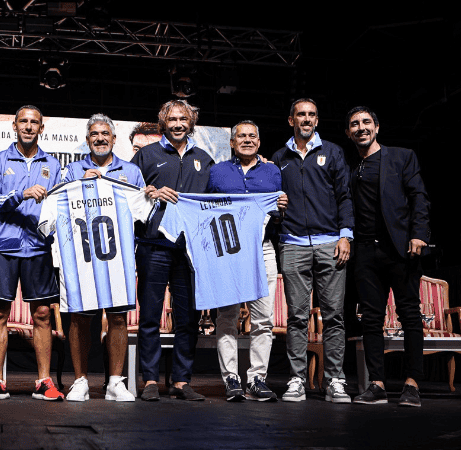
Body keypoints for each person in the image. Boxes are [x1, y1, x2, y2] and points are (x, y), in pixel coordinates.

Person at [0, 105, 64, 401]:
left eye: (34, 122)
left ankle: (43, 381)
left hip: (37, 248)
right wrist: (20, 194)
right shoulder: (0, 160)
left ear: (41, 128)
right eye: (23, 121)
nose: (28, 126)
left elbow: (58, 207)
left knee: (42, 314)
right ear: (14, 125)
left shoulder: (52, 164)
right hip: (4, 247)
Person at [345, 107, 430, 407]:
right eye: (354, 124)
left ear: (377, 127)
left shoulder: (401, 156)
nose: (361, 128)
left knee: (409, 316)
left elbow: (419, 196)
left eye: (366, 122)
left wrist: (419, 233)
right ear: (348, 133)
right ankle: (377, 384)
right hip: (366, 252)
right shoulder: (353, 168)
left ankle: (412, 384)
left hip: (400, 249)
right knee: (370, 319)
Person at [270, 98, 353, 403]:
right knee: (297, 317)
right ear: (291, 120)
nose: (306, 119)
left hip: (330, 243)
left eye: (311, 115)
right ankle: (296, 379)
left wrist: (345, 237)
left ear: (317, 120)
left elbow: (345, 196)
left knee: (334, 316)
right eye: (300, 115)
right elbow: (271, 203)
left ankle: (334, 381)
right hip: (292, 244)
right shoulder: (279, 157)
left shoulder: (332, 152)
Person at [130, 99, 213, 401]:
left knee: (187, 317)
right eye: (173, 119)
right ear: (163, 123)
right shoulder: (147, 155)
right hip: (153, 246)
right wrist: (149, 192)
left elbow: (217, 200)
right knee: (150, 315)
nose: (178, 124)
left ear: (192, 123)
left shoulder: (204, 159)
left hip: (190, 250)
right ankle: (150, 380)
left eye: (184, 119)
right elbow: (129, 196)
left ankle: (181, 380)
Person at [61, 114, 145, 402]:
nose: (100, 138)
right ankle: (81, 380)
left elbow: (143, 213)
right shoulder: (72, 170)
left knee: (118, 318)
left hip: (118, 257)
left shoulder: (131, 172)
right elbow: (58, 210)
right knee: (79, 319)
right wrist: (80, 185)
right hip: (82, 258)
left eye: (105, 134)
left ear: (113, 138)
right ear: (87, 140)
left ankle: (114, 382)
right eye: (94, 134)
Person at [206, 121, 287, 401]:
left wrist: (281, 208)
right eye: (241, 136)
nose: (247, 140)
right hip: (227, 252)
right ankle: (231, 379)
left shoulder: (272, 171)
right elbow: (206, 211)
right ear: (231, 142)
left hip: (261, 249)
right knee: (226, 317)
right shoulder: (217, 172)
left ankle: (257, 379)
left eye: (253, 135)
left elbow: (278, 211)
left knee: (263, 319)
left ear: (259, 142)